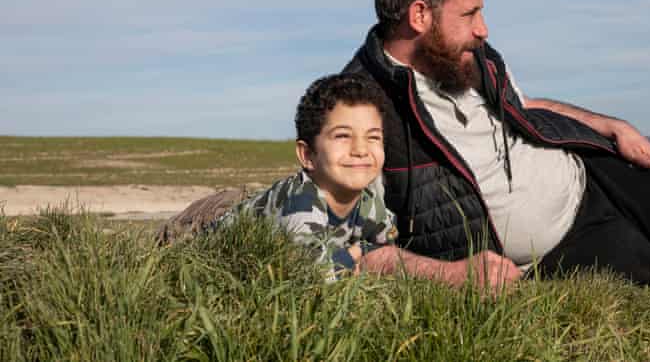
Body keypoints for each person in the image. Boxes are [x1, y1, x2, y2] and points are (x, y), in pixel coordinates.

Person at [344, 0, 650, 285]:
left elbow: (523, 107)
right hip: (555, 251)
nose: (483, 29)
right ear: (419, 15)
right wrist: (453, 275)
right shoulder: (356, 108)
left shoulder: (465, 55)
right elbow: (347, 248)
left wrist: (611, 127)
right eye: (470, 13)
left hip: (592, 175)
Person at [163, 72, 521, 290]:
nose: (361, 150)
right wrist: (360, 255)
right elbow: (315, 278)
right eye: (342, 136)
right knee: (174, 246)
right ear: (307, 156)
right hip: (207, 224)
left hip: (259, 207)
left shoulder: (369, 201)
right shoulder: (303, 208)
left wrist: (365, 254)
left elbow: (387, 247)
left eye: (374, 137)